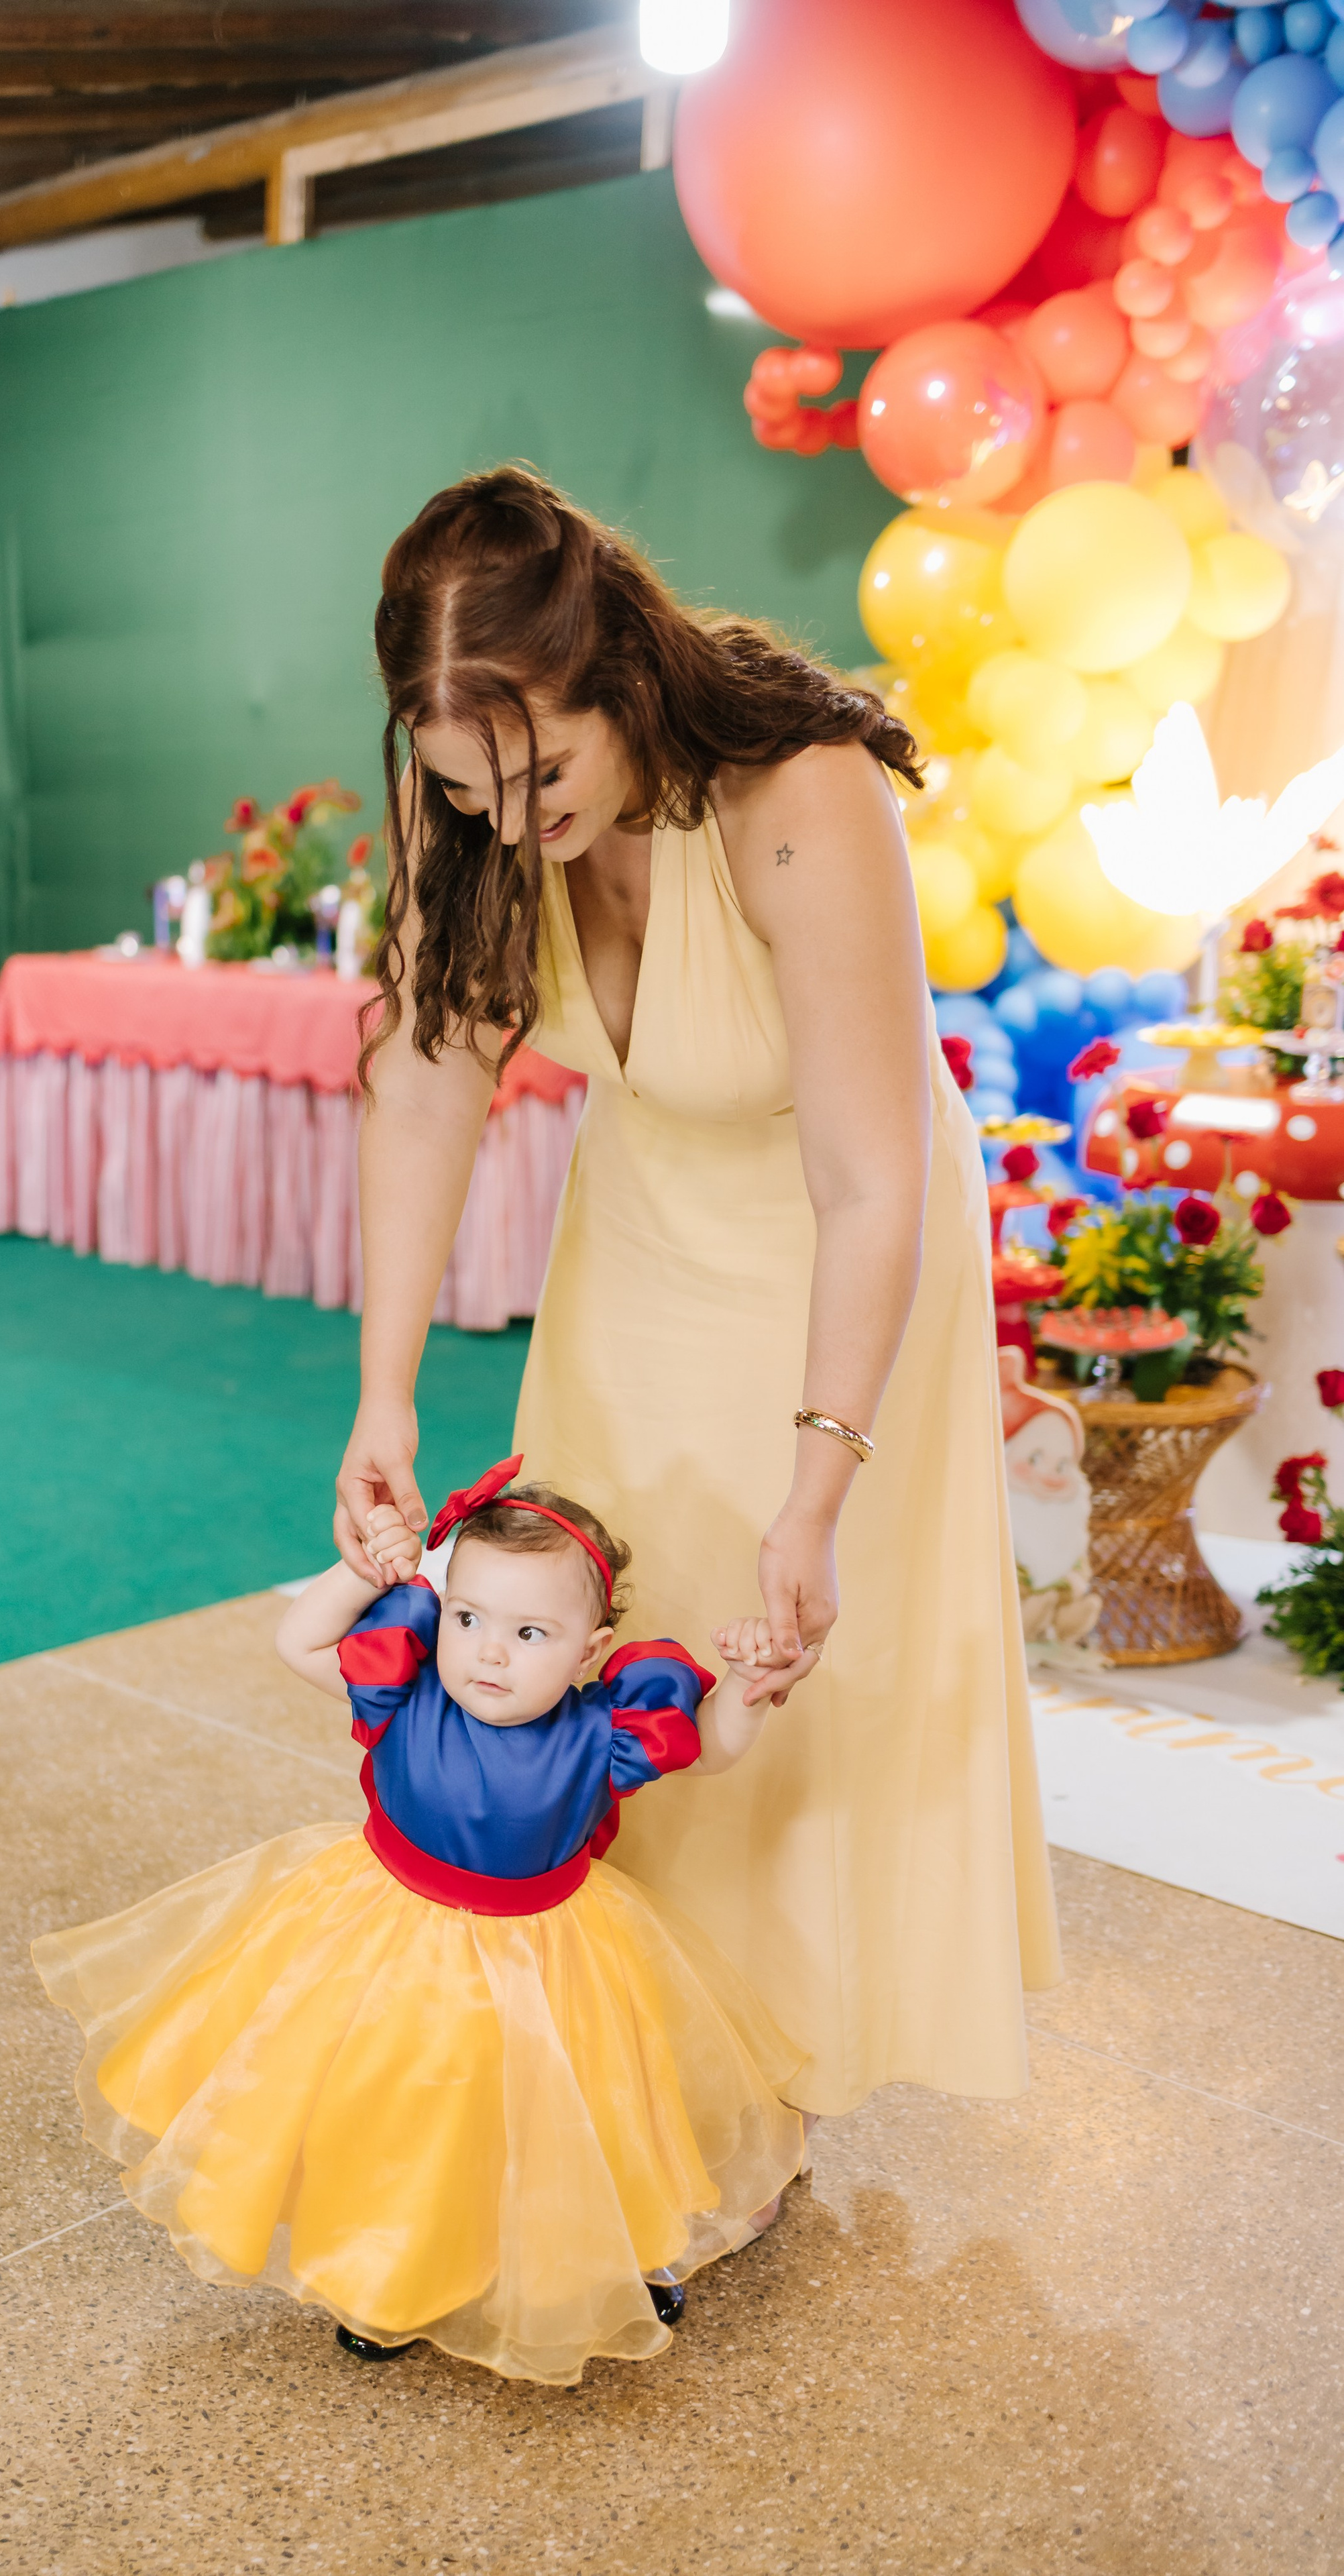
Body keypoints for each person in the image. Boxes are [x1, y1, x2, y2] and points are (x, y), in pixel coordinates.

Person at [334, 466, 1061, 2129]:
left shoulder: (796, 792)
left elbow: (869, 1180)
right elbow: (428, 1082)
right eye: (462, 789)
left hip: (844, 1253)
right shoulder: (476, 801)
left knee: (777, 1638)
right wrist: (383, 1395)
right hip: (642, 1236)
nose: (505, 823)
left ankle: (765, 2099)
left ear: (620, 676)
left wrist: (819, 1482)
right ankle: (644, 2056)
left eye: (540, 775)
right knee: (609, 1634)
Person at [32, 1460, 808, 2385]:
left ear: (592, 1653)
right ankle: (384, 2274)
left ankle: (598, 2257)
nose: (487, 1652)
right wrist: (369, 1569)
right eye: (470, 1618)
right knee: (395, 2108)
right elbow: (297, 1642)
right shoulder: (406, 1689)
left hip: (552, 1954)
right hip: (385, 1938)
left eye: (530, 1633)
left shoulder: (605, 1731)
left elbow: (713, 1749)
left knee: (574, 2112)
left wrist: (750, 1690)